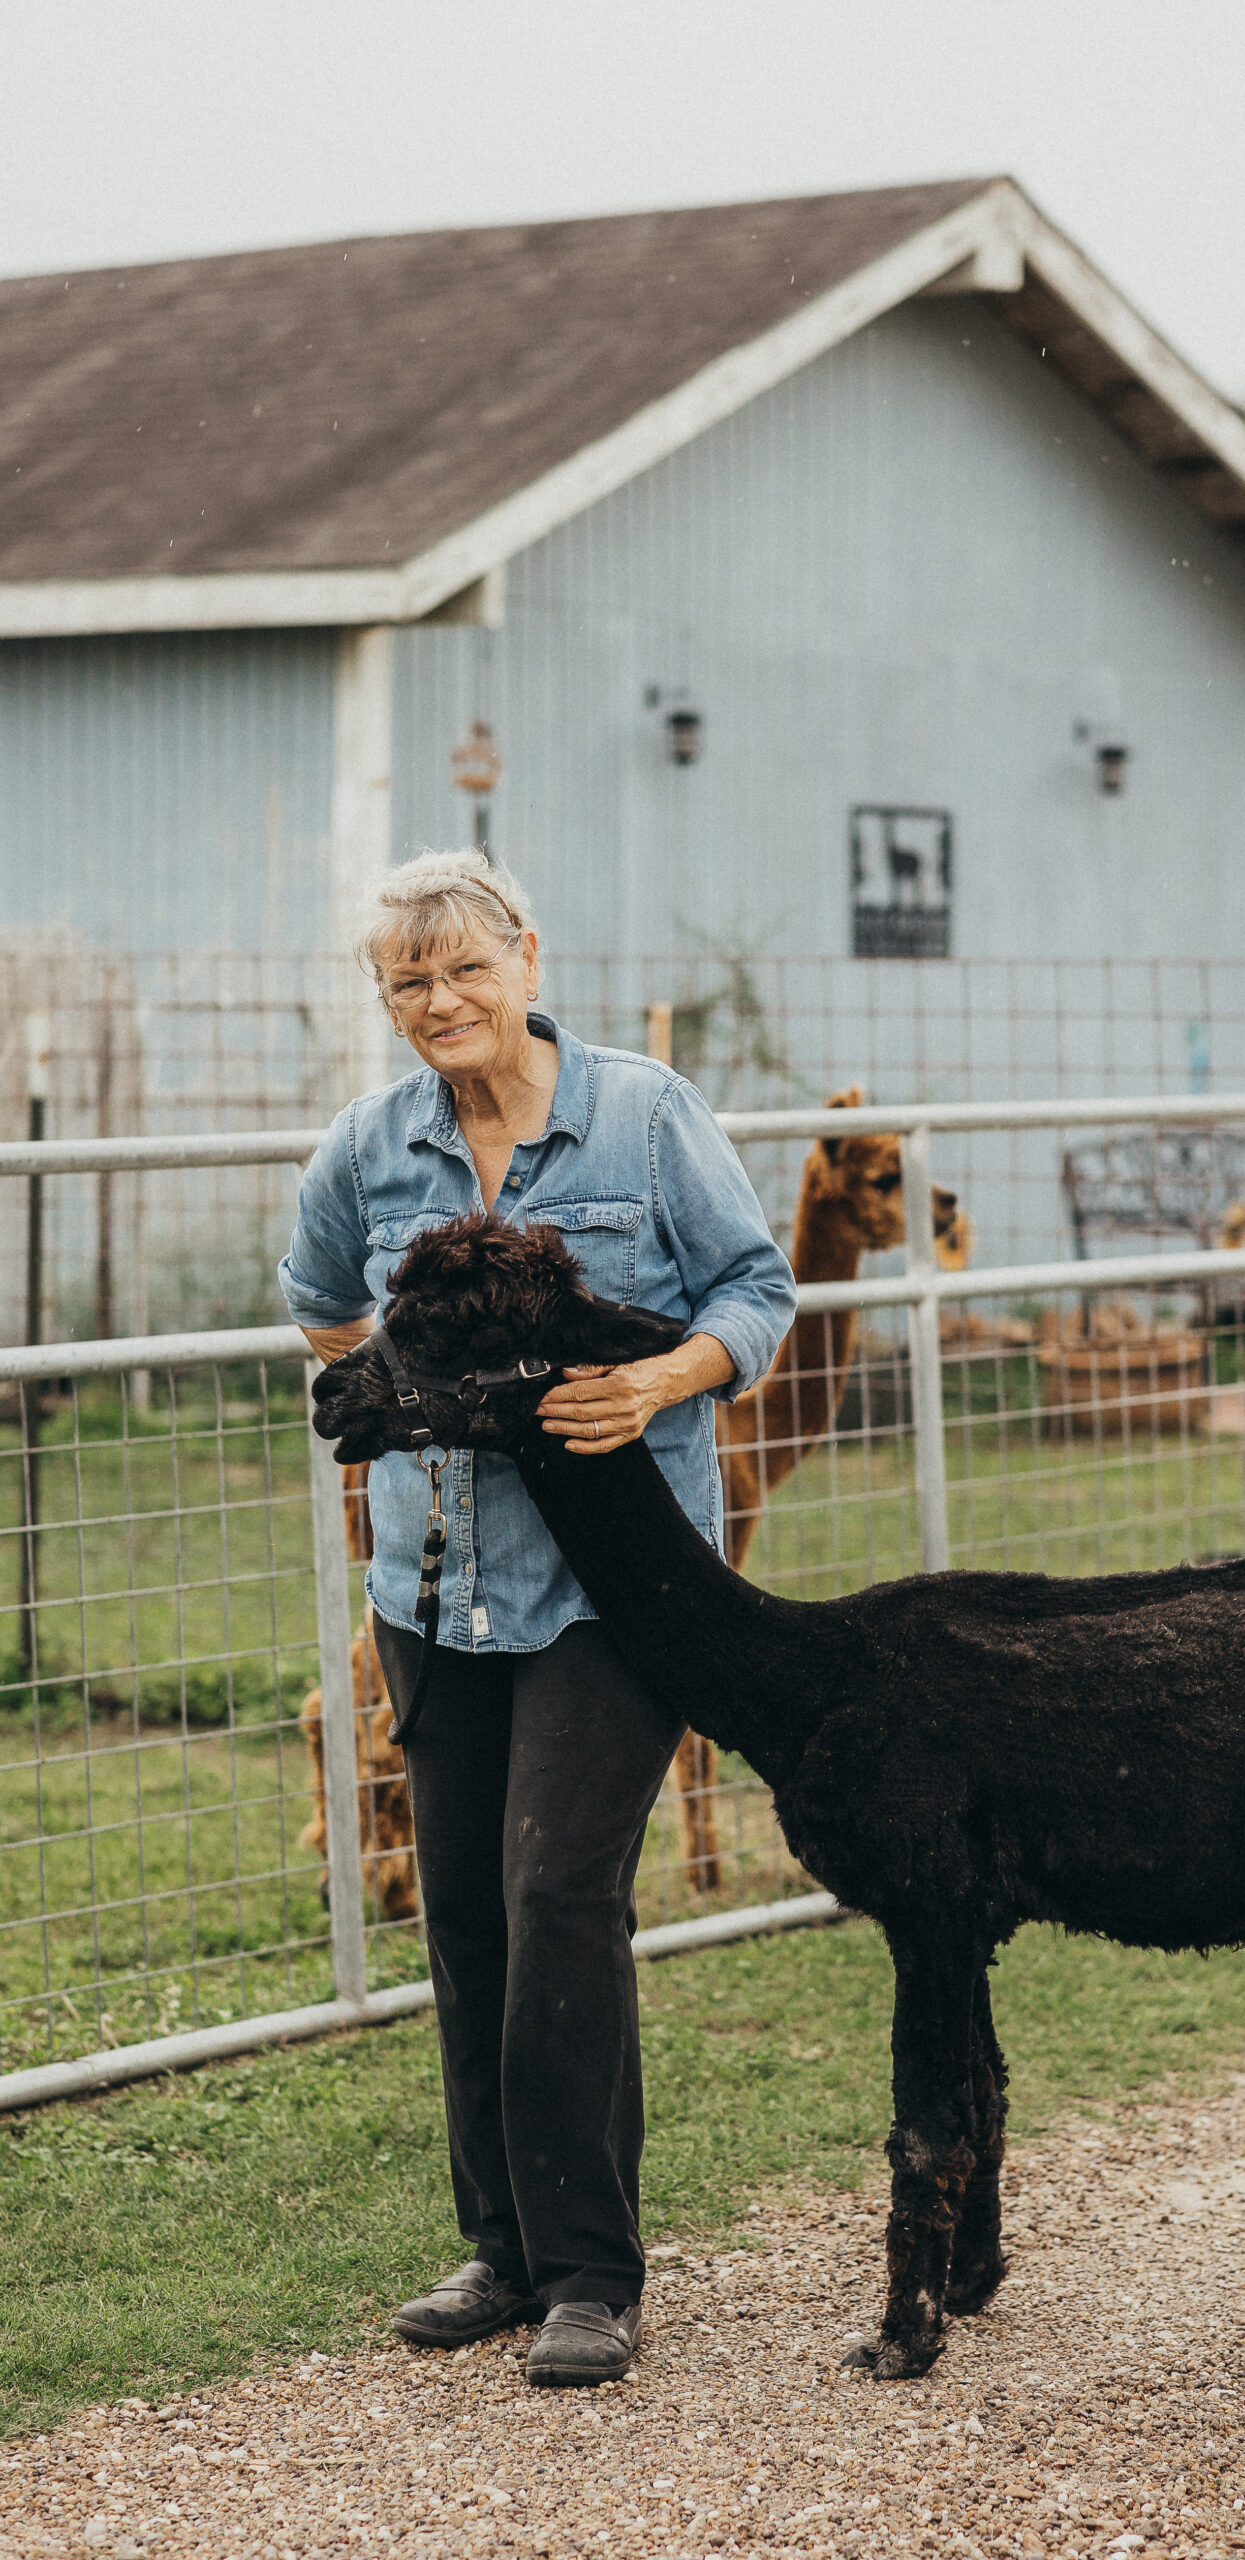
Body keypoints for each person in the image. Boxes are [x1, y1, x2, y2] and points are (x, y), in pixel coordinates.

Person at [280, 851, 795, 2386]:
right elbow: (324, 1307)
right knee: (466, 1916)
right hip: (432, 1587)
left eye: (465, 970)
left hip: (611, 1589)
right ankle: (500, 2248)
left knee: (561, 1896)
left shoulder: (644, 1114)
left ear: (526, 957)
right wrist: (416, 1394)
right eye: (408, 983)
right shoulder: (368, 1151)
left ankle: (589, 2273)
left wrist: (657, 1380)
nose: (440, 1003)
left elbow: (756, 1292)